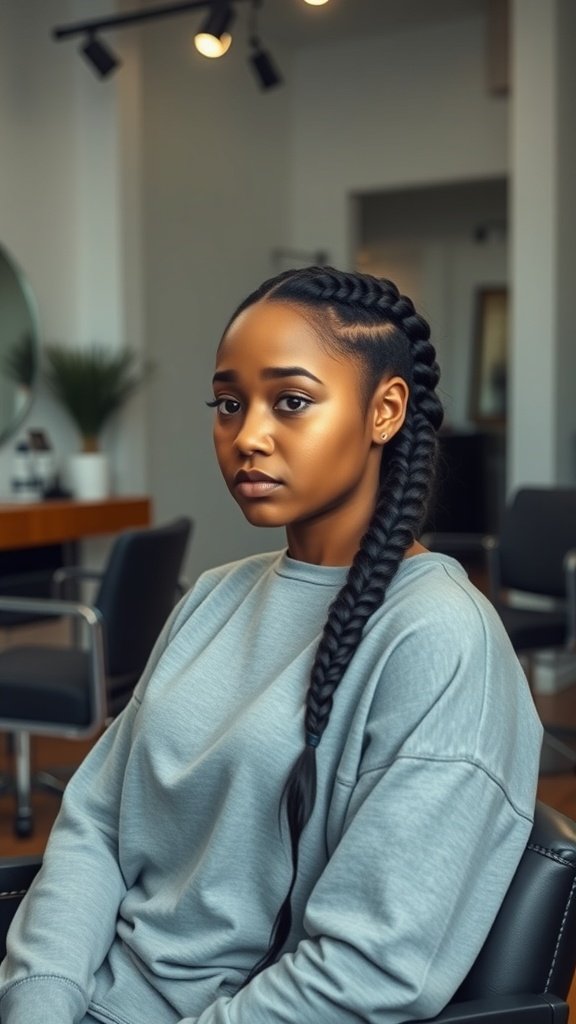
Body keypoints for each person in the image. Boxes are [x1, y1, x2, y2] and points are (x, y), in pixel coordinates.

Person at [0, 266, 542, 1024]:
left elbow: (368, 967)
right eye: (228, 403)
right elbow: (96, 823)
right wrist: (39, 1001)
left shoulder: (439, 638)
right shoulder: (219, 594)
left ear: (385, 410)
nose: (247, 436)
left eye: (291, 401)